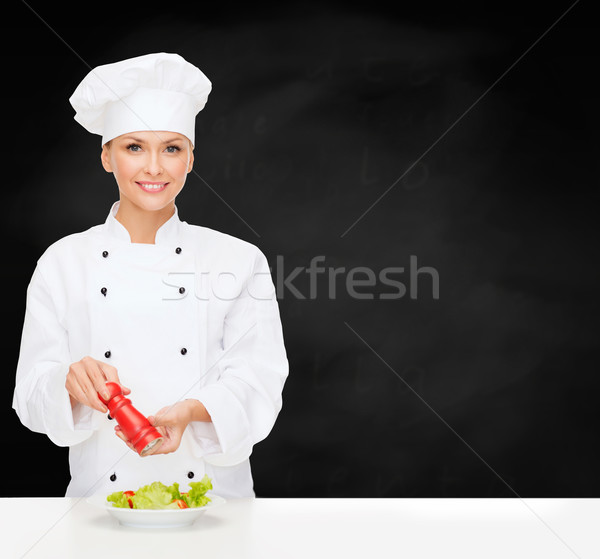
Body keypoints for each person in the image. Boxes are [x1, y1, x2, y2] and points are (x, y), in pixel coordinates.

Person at [12, 52, 289, 499]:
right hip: (100, 503)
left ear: (191, 159)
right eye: (134, 147)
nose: (155, 167)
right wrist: (67, 382)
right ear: (106, 156)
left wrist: (191, 411)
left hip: (214, 503)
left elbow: (260, 379)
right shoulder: (63, 262)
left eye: (172, 149)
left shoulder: (238, 259)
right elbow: (29, 396)